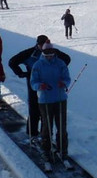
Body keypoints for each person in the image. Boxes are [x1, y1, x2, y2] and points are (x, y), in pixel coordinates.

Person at [9, 35, 71, 145]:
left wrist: (57, 71)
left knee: (46, 110)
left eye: (44, 44)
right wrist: (22, 74)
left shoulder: (52, 51)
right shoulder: (30, 53)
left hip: (50, 86)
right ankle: (32, 133)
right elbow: (12, 62)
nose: (43, 47)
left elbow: (67, 59)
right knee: (34, 108)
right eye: (41, 45)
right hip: (34, 83)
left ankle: (45, 134)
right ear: (37, 44)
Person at [30, 43, 72, 171]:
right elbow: (33, 82)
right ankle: (46, 153)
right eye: (46, 54)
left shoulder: (60, 63)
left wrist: (63, 83)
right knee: (47, 128)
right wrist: (39, 86)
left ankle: (62, 152)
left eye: (51, 54)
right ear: (43, 53)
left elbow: (67, 78)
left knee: (62, 127)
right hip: (45, 100)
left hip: (60, 99)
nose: (49, 57)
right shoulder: (38, 65)